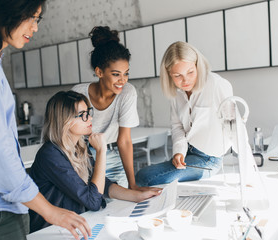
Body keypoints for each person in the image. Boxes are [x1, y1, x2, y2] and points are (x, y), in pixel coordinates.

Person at [0, 1, 91, 239]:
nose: (35, 27)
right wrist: (50, 211)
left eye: (37, 19)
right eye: (31, 17)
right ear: (3, 10)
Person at [29, 91, 162, 232]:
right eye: (83, 115)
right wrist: (101, 152)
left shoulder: (79, 146)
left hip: (78, 223)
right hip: (51, 231)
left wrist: (137, 196)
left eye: (89, 112)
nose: (90, 118)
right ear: (65, 121)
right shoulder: (50, 155)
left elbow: (102, 184)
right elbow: (93, 200)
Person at [136, 41, 233, 186]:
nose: (185, 80)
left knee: (144, 177)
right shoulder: (176, 94)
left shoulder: (216, 84)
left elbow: (235, 126)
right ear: (169, 74)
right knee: (142, 176)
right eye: (177, 75)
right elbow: (177, 127)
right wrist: (178, 152)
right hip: (188, 153)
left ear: (197, 65)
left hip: (209, 160)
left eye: (190, 72)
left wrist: (249, 173)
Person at [72, 26, 147, 190]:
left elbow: (125, 140)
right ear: (99, 72)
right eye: (116, 74)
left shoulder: (127, 93)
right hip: (84, 160)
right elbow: (71, 134)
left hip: (113, 158)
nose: (123, 80)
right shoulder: (78, 93)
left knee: (120, 208)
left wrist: (132, 184)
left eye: (126, 73)